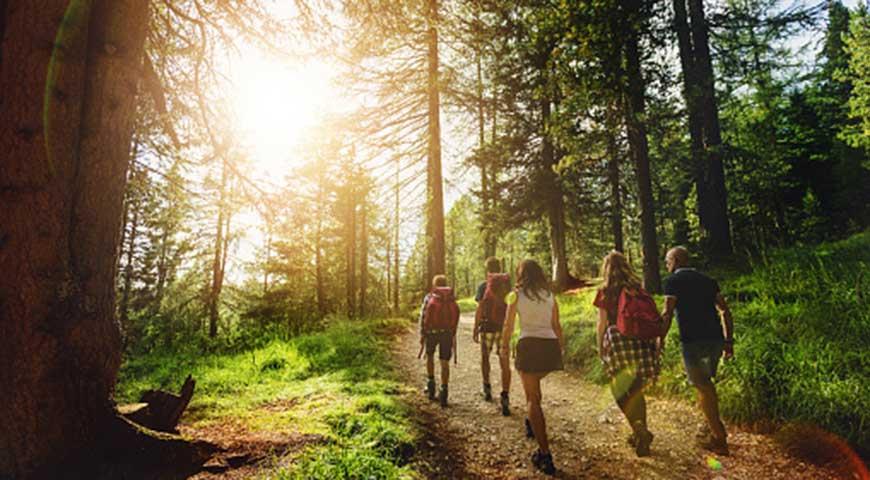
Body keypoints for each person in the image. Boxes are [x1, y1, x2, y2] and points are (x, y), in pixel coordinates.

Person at [661, 246, 734, 455]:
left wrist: (660, 339)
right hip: (715, 340)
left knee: (703, 386)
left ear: (675, 260)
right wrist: (729, 341)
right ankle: (709, 428)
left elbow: (667, 314)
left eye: (668, 261)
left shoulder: (673, 282)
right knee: (706, 385)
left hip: (692, 342)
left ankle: (719, 436)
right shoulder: (708, 281)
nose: (667, 265)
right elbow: (725, 311)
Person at [593, 251, 662, 457]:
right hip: (641, 339)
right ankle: (639, 432)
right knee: (637, 388)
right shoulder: (636, 288)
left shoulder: (605, 291)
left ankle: (639, 429)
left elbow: (602, 323)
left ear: (606, 269)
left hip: (618, 339)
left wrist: (600, 348)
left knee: (620, 389)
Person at [501, 259, 564, 476]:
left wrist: (503, 347)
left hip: (529, 346)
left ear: (522, 274)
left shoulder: (516, 295)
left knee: (532, 399)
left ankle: (544, 454)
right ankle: (533, 421)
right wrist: (560, 349)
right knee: (535, 391)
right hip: (549, 346)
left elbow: (508, 324)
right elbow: (556, 325)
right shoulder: (549, 295)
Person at [472, 257, 512, 407]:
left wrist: (476, 327)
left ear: (487, 269)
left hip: (487, 327)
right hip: (503, 327)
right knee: (504, 361)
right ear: (500, 268)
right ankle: (505, 395)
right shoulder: (508, 285)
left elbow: (480, 308)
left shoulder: (484, 286)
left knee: (485, 357)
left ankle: (487, 387)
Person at [419, 274, 461, 408]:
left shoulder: (429, 297)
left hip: (432, 332)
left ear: (435, 285)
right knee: (444, 362)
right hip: (447, 333)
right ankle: (444, 390)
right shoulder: (451, 299)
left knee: (430, 356)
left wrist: (422, 334)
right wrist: (452, 332)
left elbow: (423, 315)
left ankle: (431, 385)